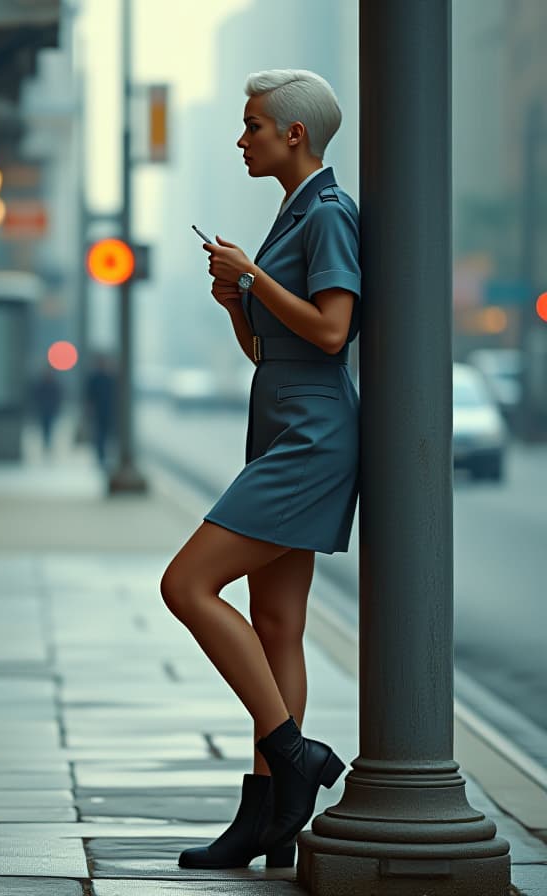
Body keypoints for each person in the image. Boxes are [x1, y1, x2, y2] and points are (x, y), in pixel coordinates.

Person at [161, 69, 360, 870]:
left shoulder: (328, 213)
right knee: (276, 625)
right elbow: (265, 345)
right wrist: (235, 303)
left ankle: (294, 756)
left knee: (185, 585)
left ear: (294, 135)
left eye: (252, 127)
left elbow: (331, 333)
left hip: (310, 439)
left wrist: (253, 279)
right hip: (281, 424)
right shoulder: (292, 212)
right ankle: (269, 820)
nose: (242, 140)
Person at [84, 354, 116, 467]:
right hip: (99, 411)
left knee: (106, 434)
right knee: (100, 435)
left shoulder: (109, 378)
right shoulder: (95, 378)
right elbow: (89, 396)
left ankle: (104, 455)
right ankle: (101, 456)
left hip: (108, 411)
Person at [31, 367, 64, 453]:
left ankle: (48, 442)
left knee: (49, 427)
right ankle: (46, 442)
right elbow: (36, 397)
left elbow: (58, 397)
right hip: (43, 409)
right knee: (45, 427)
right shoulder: (41, 385)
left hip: (51, 409)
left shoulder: (54, 385)